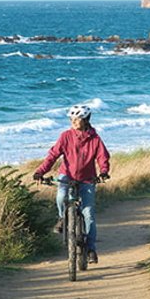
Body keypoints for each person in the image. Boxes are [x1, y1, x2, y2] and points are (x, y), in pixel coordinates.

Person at [33, 104, 110, 263]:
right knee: (61, 197)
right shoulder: (65, 136)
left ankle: (90, 249)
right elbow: (52, 156)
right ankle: (62, 218)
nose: (74, 121)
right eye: (72, 118)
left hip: (87, 179)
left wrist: (103, 172)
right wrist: (40, 172)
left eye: (77, 118)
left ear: (86, 120)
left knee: (88, 214)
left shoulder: (95, 139)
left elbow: (103, 157)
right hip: (66, 176)